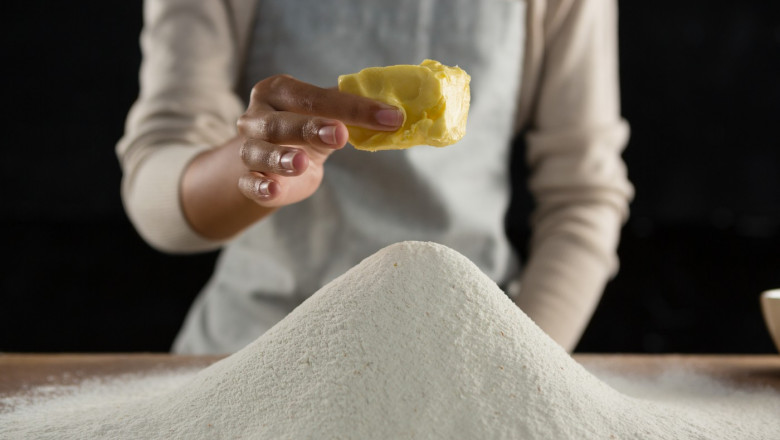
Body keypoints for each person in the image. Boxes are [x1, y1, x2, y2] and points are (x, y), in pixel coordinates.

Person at [117, 0, 633, 354]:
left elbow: (583, 195)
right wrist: (258, 165)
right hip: (256, 346)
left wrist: (520, 360)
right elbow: (157, 187)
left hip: (468, 345)